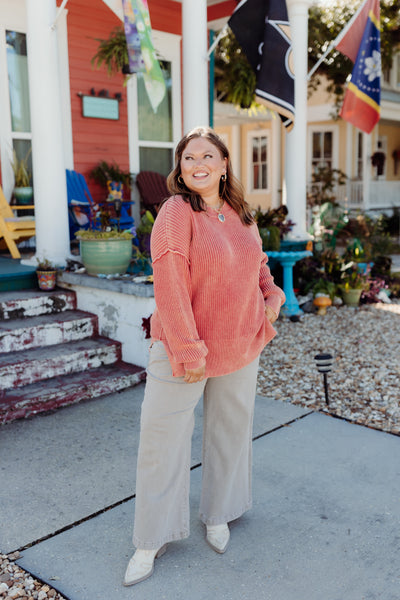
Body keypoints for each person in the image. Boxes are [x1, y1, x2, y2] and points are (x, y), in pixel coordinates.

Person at [124, 126, 285, 586]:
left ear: (223, 164)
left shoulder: (240, 212)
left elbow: (258, 265)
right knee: (161, 441)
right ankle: (150, 539)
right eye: (189, 158)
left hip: (240, 341)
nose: (197, 165)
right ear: (181, 167)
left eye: (207, 157)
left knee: (230, 432)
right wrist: (190, 348)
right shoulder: (175, 212)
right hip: (182, 347)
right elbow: (169, 284)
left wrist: (271, 297)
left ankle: (220, 512)